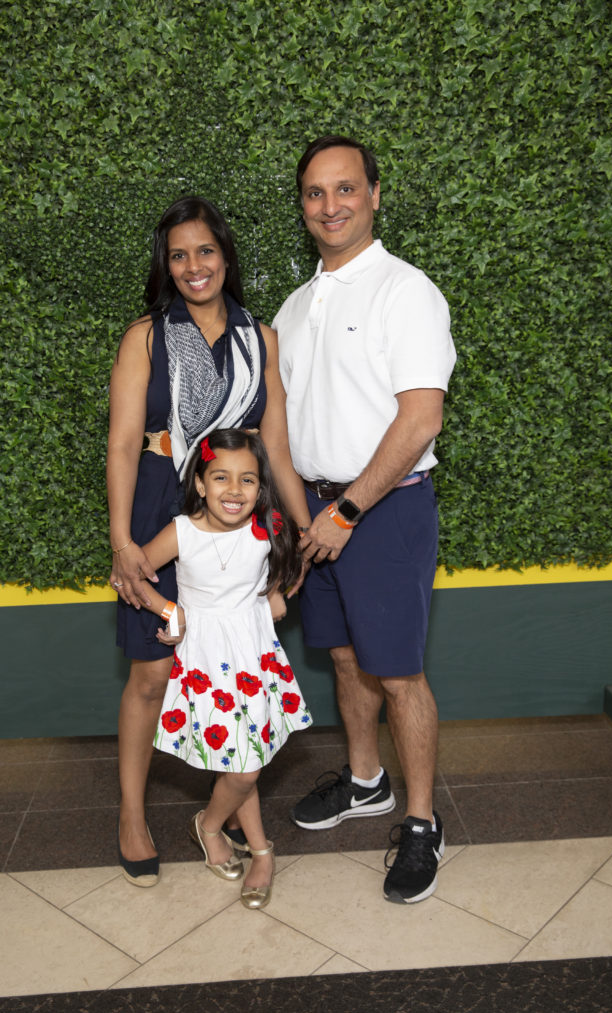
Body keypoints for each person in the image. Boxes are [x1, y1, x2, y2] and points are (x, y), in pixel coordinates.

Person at [273, 135, 456, 904]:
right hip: (312, 513)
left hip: (380, 509)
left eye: (345, 189)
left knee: (399, 673)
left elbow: (420, 418)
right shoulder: (293, 304)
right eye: (315, 193)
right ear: (303, 206)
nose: (330, 206)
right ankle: (365, 780)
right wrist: (300, 516)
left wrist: (346, 510)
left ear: (375, 195)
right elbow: (278, 427)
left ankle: (419, 823)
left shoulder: (405, 290)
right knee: (345, 661)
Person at [107, 197, 309, 887]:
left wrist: (301, 528)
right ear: (166, 266)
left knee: (235, 666)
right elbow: (122, 445)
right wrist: (120, 540)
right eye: (179, 254)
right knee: (151, 672)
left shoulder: (262, 338)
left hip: (238, 504)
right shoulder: (146, 336)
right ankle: (132, 815)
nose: (194, 266)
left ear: (226, 257)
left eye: (205, 251)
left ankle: (226, 819)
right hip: (161, 500)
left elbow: (274, 445)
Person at [135, 428, 311, 909]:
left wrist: (276, 592)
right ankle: (241, 840)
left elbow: (294, 561)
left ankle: (226, 834)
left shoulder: (268, 527)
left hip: (254, 654)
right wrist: (170, 613)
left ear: (260, 486)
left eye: (247, 480)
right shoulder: (182, 532)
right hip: (206, 660)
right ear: (199, 483)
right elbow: (131, 573)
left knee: (242, 761)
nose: (234, 491)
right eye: (221, 478)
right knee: (243, 765)